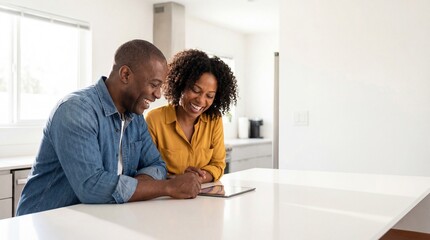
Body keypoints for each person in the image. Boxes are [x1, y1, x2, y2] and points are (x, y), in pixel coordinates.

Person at [16, 40, 201, 216]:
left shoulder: (135, 117)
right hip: (43, 223)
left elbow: (156, 165)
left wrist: (127, 187)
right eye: (154, 84)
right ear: (125, 75)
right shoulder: (76, 110)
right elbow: (92, 187)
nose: (158, 95)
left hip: (94, 218)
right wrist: (167, 187)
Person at [145, 49, 238, 184]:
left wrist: (200, 177)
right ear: (181, 84)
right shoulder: (155, 119)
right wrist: (178, 180)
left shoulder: (214, 120)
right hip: (166, 198)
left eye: (209, 96)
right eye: (195, 90)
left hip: (202, 198)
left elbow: (218, 164)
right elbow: (148, 169)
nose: (201, 101)